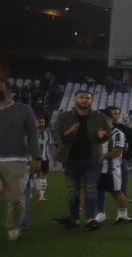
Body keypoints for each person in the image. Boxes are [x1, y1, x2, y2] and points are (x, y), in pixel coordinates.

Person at [49, 88, 110, 232]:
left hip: (92, 158)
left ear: (91, 101)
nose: (84, 100)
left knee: (90, 188)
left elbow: (107, 134)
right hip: (70, 158)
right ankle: (74, 219)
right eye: (81, 97)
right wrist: (66, 133)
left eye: (87, 98)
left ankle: (90, 219)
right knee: (72, 190)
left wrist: (103, 136)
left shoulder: (99, 117)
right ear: (75, 99)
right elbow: (55, 133)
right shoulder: (64, 117)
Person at [0, 78, 41, 242]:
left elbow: (32, 134)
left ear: (9, 90)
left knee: (17, 199)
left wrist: (36, 157)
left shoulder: (24, 110)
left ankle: (13, 226)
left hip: (15, 159)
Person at [97, 105, 132, 224]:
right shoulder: (95, 132)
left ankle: (123, 216)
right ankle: (97, 214)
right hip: (96, 168)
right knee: (91, 191)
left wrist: (97, 157)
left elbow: (117, 152)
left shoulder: (117, 133)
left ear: (107, 118)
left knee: (116, 192)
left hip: (110, 168)